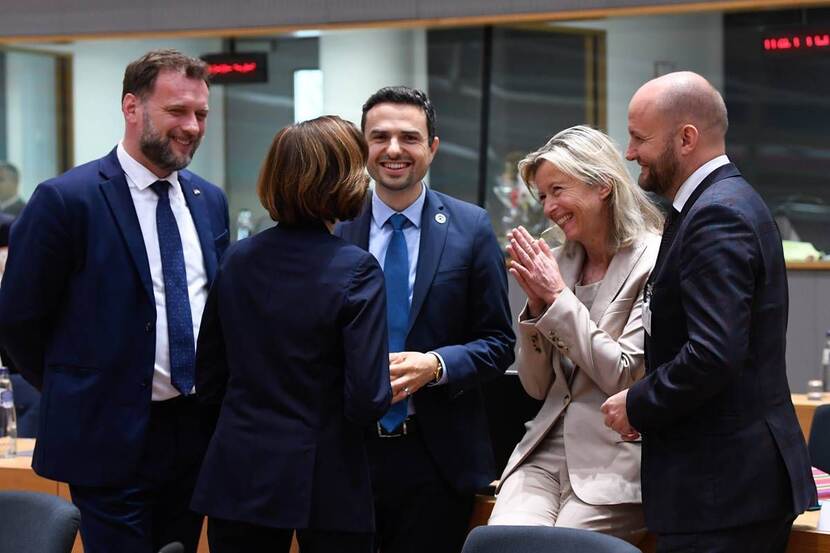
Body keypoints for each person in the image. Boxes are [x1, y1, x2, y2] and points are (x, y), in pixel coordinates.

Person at [0, 49, 230, 553]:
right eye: (177, 111)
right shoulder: (66, 200)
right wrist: (82, 383)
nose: (192, 126)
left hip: (192, 436)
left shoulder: (208, 201)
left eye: (201, 114)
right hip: (105, 438)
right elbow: (17, 321)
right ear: (132, 107)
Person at [602, 71, 816, 552]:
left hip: (724, 492)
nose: (630, 152)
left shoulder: (717, 214)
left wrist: (638, 402)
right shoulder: (709, 203)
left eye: (639, 138)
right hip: (721, 486)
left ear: (686, 138)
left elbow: (713, 353)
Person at [190, 115, 392, 553]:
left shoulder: (238, 259)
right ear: (346, 177)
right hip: (327, 480)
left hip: (238, 474)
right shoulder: (357, 270)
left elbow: (208, 378)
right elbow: (366, 400)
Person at [336, 86, 516, 553]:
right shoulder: (333, 225)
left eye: (409, 138)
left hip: (436, 457)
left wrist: (435, 365)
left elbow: (499, 343)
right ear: (363, 146)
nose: (394, 150)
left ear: (432, 147)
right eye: (380, 137)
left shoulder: (471, 227)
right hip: (346, 452)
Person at [487, 126, 661, 544]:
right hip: (542, 455)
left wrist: (557, 299)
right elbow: (535, 386)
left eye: (558, 190)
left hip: (613, 465)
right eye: (542, 196)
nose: (548, 207)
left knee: (563, 547)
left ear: (602, 185)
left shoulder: (655, 259)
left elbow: (623, 375)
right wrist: (534, 311)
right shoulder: (558, 261)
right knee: (504, 545)